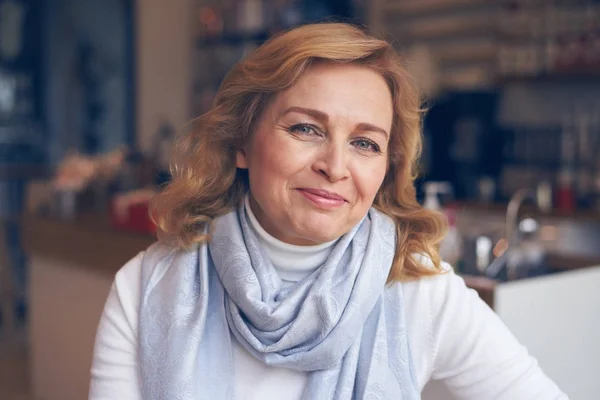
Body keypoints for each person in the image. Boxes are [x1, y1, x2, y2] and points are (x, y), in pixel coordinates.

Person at [89, 23, 567, 399]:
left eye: (364, 143)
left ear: (387, 166)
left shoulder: (421, 293)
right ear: (241, 142)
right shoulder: (145, 289)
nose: (336, 167)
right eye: (305, 129)